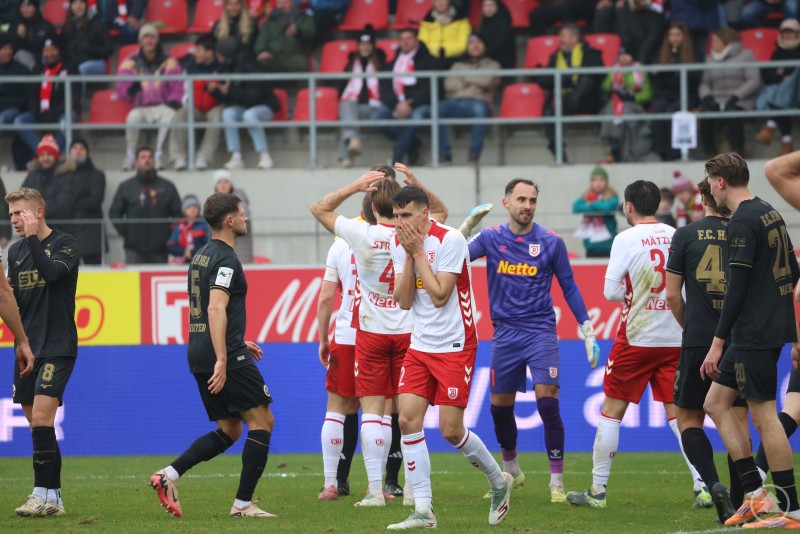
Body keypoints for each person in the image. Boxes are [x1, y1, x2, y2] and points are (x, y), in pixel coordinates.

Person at [310, 164, 448, 508]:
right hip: (409, 331)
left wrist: (355, 186)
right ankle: (413, 490)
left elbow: (319, 208)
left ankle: (374, 491)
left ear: (372, 207)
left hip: (370, 331)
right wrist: (418, 187)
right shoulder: (415, 234)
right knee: (408, 416)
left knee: (372, 412)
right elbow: (442, 212)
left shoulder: (360, 236)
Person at [567, 180, 709, 509]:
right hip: (676, 335)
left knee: (612, 411)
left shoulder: (625, 238)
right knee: (680, 415)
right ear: (658, 204)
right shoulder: (678, 235)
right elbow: (687, 288)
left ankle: (598, 492)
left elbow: (610, 291)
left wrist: (637, 297)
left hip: (637, 337)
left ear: (628, 206)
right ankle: (702, 486)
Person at [468, 178, 600, 504]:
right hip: (505, 334)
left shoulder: (550, 242)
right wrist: (464, 229)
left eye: (532, 200)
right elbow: (450, 257)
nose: (527, 206)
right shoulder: (490, 238)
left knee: (547, 403)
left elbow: (569, 286)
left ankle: (556, 481)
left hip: (540, 331)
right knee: (499, 409)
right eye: (521, 199)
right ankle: (511, 470)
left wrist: (587, 329)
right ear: (507, 203)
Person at [389, 185, 513, 529]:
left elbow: (441, 294)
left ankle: (499, 480)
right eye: (396, 216)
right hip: (420, 345)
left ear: (424, 213)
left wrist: (416, 253)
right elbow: (402, 301)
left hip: (456, 346)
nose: (400, 222)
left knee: (450, 429)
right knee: (407, 420)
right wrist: (409, 255)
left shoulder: (450, 241)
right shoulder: (403, 245)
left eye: (406, 215)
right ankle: (424, 510)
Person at [150, 192, 276, 519]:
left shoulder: (202, 255)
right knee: (262, 421)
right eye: (242, 212)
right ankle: (243, 504)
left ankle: (169, 475)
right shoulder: (227, 259)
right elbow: (215, 306)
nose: (246, 217)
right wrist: (224, 355)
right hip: (223, 355)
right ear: (230, 220)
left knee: (230, 427)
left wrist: (235, 340)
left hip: (201, 350)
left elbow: (212, 309)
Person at [701, 152, 800, 529]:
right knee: (715, 402)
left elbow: (736, 289)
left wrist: (717, 341)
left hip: (753, 333)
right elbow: (793, 270)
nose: (709, 187)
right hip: (767, 328)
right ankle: (757, 495)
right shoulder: (769, 211)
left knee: (764, 417)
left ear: (721, 182)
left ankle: (790, 510)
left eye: (710, 180)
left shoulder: (742, 221)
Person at [665, 177, 744, 524]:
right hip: (739, 340)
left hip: (698, 340)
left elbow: (671, 295)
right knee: (738, 422)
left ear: (702, 197)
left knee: (688, 419)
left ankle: (713, 484)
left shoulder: (684, 235)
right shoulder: (745, 233)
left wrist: (691, 330)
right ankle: (743, 503)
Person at [8, 187, 78, 517]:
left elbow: (51, 275)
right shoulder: (14, 252)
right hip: (27, 348)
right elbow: (15, 302)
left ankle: (38, 494)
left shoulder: (66, 244)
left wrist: (34, 241)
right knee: (41, 429)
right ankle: (55, 499)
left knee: (40, 419)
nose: (13, 220)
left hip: (58, 346)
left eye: (19, 213)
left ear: (38, 212)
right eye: (10, 215)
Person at [316, 221, 359, 500]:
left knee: (337, 407)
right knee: (378, 410)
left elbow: (326, 297)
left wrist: (323, 339)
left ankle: (332, 483)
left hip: (346, 335)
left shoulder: (341, 243)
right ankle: (379, 487)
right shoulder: (395, 237)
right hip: (384, 333)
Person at [116, 24, 184, 171]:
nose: (149, 41)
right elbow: (121, 88)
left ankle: (158, 155)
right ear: (140, 41)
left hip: (162, 105)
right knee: (132, 118)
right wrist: (131, 89)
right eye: (145, 37)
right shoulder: (130, 62)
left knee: (171, 115)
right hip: (141, 106)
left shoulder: (169, 61)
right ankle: (130, 155)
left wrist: (174, 101)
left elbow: (177, 84)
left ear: (157, 40)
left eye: (152, 37)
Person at [538, 23, 604, 161]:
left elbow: (597, 77)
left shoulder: (590, 53)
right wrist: (569, 79)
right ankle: (559, 155)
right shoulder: (556, 57)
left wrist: (564, 78)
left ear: (575, 38)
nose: (559, 39)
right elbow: (543, 80)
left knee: (587, 81)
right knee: (549, 114)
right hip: (564, 100)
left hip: (588, 102)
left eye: (563, 36)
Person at [212, 36, 280, 171]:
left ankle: (264, 156)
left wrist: (230, 90)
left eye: (220, 53)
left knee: (249, 115)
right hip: (246, 107)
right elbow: (231, 97)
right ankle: (236, 156)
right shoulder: (227, 67)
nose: (218, 57)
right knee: (228, 113)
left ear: (227, 54)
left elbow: (253, 98)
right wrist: (218, 91)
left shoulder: (251, 66)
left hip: (265, 107)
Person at [372, 28, 438, 165]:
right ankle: (412, 143)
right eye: (402, 39)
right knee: (376, 118)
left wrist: (411, 103)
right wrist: (397, 104)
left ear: (416, 40)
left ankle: (398, 153)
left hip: (419, 104)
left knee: (417, 118)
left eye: (409, 38)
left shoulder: (428, 60)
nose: (405, 42)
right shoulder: (392, 62)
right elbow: (385, 86)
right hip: (396, 104)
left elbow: (430, 87)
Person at [108, 146, 182, 264]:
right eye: (143, 157)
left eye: (150, 157)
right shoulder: (126, 186)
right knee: (132, 283)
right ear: (136, 162)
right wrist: (126, 231)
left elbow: (178, 213)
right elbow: (114, 212)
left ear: (154, 161)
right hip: (133, 249)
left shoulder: (167, 186)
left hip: (160, 249)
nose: (146, 160)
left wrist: (168, 232)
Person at [438, 32, 500, 164]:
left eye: (479, 42)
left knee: (479, 110)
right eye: (472, 43)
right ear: (467, 46)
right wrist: (474, 83)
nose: (475, 46)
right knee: (437, 109)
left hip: (479, 101)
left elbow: (487, 81)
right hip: (456, 102)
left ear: (485, 46)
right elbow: (448, 85)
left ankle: (474, 153)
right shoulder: (457, 65)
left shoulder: (493, 65)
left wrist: (463, 79)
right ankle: (444, 153)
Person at [698, 28, 760, 158]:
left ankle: (737, 150)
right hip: (716, 98)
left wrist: (736, 96)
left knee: (732, 112)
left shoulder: (746, 55)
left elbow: (754, 80)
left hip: (740, 98)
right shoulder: (709, 58)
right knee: (705, 113)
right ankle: (710, 152)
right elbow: (704, 83)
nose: (712, 44)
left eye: (716, 41)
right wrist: (707, 96)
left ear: (726, 41)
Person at [13, 38, 78, 158]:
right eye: (46, 51)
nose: (49, 54)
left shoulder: (70, 67)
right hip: (40, 112)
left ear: (59, 51)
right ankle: (43, 153)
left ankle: (53, 155)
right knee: (19, 122)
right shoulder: (38, 69)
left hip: (61, 112)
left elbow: (74, 96)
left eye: (52, 50)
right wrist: (37, 110)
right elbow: (31, 94)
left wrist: (55, 112)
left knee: (67, 121)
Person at [169, 34, 223, 171]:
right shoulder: (189, 66)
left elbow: (226, 92)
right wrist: (186, 102)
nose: (196, 54)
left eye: (199, 50)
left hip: (214, 106)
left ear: (210, 53)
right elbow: (182, 89)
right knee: (180, 114)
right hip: (194, 106)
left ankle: (203, 157)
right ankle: (178, 156)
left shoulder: (221, 68)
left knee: (217, 116)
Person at [650, 21, 701, 162]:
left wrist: (674, 69)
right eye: (671, 35)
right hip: (667, 94)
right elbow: (655, 77)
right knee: (659, 109)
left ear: (684, 36)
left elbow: (697, 75)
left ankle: (675, 153)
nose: (675, 38)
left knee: (674, 111)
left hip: (688, 94)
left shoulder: (694, 53)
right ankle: (660, 152)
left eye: (678, 34)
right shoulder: (661, 53)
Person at [337, 26, 387, 169]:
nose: (365, 47)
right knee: (347, 104)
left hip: (375, 107)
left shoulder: (382, 64)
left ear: (373, 46)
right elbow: (343, 91)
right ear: (357, 46)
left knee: (346, 118)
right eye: (362, 44)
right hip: (356, 108)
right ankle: (352, 139)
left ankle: (346, 156)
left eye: (368, 44)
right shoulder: (350, 65)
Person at [598, 47, 656, 163]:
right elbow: (604, 86)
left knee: (627, 113)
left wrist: (634, 96)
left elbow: (648, 94)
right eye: (621, 55)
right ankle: (614, 147)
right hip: (615, 104)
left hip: (634, 105)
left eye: (626, 54)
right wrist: (612, 86)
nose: (623, 57)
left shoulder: (640, 71)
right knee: (609, 111)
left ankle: (624, 150)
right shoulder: (614, 70)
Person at [754, 18, 800, 157]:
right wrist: (781, 75)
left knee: (783, 89)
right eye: (785, 32)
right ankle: (787, 141)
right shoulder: (777, 52)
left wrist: (782, 73)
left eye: (791, 32)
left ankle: (771, 125)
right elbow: (768, 75)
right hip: (782, 96)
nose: (788, 35)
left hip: (796, 92)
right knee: (779, 97)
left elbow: (794, 74)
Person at [60, 137, 106, 264]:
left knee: (95, 278)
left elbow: (95, 201)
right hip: (66, 232)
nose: (78, 151)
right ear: (69, 152)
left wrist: (69, 204)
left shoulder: (97, 174)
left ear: (87, 152)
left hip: (91, 234)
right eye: (74, 148)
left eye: (82, 148)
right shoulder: (61, 174)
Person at [21, 135, 73, 226]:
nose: (45, 158)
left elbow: (64, 205)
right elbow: (22, 197)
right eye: (42, 155)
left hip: (58, 229)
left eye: (49, 154)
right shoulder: (33, 175)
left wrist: (40, 211)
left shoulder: (65, 176)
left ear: (55, 156)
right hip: (35, 228)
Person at [61, 0, 113, 90]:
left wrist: (89, 48)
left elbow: (109, 49)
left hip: (96, 61)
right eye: (75, 3)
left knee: (80, 69)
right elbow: (63, 50)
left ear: (86, 5)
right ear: (70, 6)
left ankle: (77, 103)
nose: (78, 6)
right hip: (74, 62)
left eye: (81, 3)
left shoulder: (97, 24)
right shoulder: (66, 27)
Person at [593, 0, 664, 65]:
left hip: (648, 60)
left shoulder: (657, 18)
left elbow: (651, 42)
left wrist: (640, 61)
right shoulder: (622, 14)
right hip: (624, 58)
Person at [254, 0, 316, 73]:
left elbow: (311, 31)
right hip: (273, 58)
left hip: (295, 57)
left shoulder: (302, 17)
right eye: (279, 3)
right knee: (258, 63)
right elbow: (261, 40)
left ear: (292, 2)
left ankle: (305, 85)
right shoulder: (271, 20)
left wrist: (298, 31)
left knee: (301, 64)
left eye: (285, 2)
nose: (282, 6)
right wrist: (262, 51)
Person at [572, 166, 618, 258]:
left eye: (601, 180)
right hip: (591, 247)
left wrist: (590, 204)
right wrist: (598, 206)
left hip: (608, 246)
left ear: (606, 182)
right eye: (594, 180)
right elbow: (576, 207)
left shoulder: (612, 196)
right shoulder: (587, 195)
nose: (598, 183)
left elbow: (607, 207)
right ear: (591, 182)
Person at [213, 169, 253, 263]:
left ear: (231, 184)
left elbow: (244, 221)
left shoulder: (238, 199)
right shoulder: (214, 202)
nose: (222, 185)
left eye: (226, 181)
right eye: (219, 182)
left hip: (239, 252)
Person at [418, 0, 471, 68]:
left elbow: (463, 44)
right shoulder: (427, 21)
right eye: (437, 1)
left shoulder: (461, 19)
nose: (440, 3)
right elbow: (422, 43)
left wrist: (443, 51)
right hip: (431, 59)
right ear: (433, 3)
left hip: (455, 59)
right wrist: (436, 51)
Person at [7, 0, 55, 70]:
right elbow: (11, 48)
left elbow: (52, 44)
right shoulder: (15, 25)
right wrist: (20, 36)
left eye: (29, 6)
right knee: (21, 54)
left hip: (43, 59)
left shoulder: (46, 25)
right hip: (23, 64)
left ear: (35, 7)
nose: (25, 9)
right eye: (22, 6)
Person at [167, 194, 211, 264]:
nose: (192, 209)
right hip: (181, 262)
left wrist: (192, 252)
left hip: (201, 261)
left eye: (195, 206)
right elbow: (171, 246)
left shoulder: (204, 224)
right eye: (189, 207)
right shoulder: (178, 225)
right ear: (184, 210)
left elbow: (209, 245)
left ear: (198, 209)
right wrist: (184, 251)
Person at [0, 33, 30, 126]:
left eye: (10, 48)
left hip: (13, 109)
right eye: (4, 49)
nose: (9, 52)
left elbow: (23, 98)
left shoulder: (21, 69)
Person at [477, 0, 515, 69]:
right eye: (485, 6)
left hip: (501, 62)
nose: (488, 9)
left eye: (491, 5)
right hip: (484, 59)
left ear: (498, 7)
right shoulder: (483, 23)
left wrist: (479, 53)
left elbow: (498, 47)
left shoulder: (504, 25)